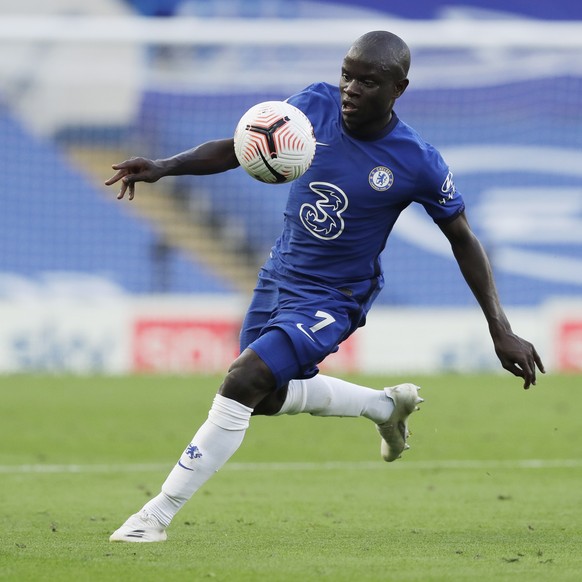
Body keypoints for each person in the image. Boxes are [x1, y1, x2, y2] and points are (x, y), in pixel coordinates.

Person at [106, 30, 544, 543]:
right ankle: (384, 408)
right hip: (278, 275)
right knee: (263, 399)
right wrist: (164, 166)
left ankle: (155, 517)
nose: (350, 89)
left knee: (242, 380)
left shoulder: (416, 161)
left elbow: (464, 240)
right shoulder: (313, 105)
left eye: (368, 81)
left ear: (398, 89)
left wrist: (501, 328)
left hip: (334, 297)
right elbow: (241, 147)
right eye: (347, 75)